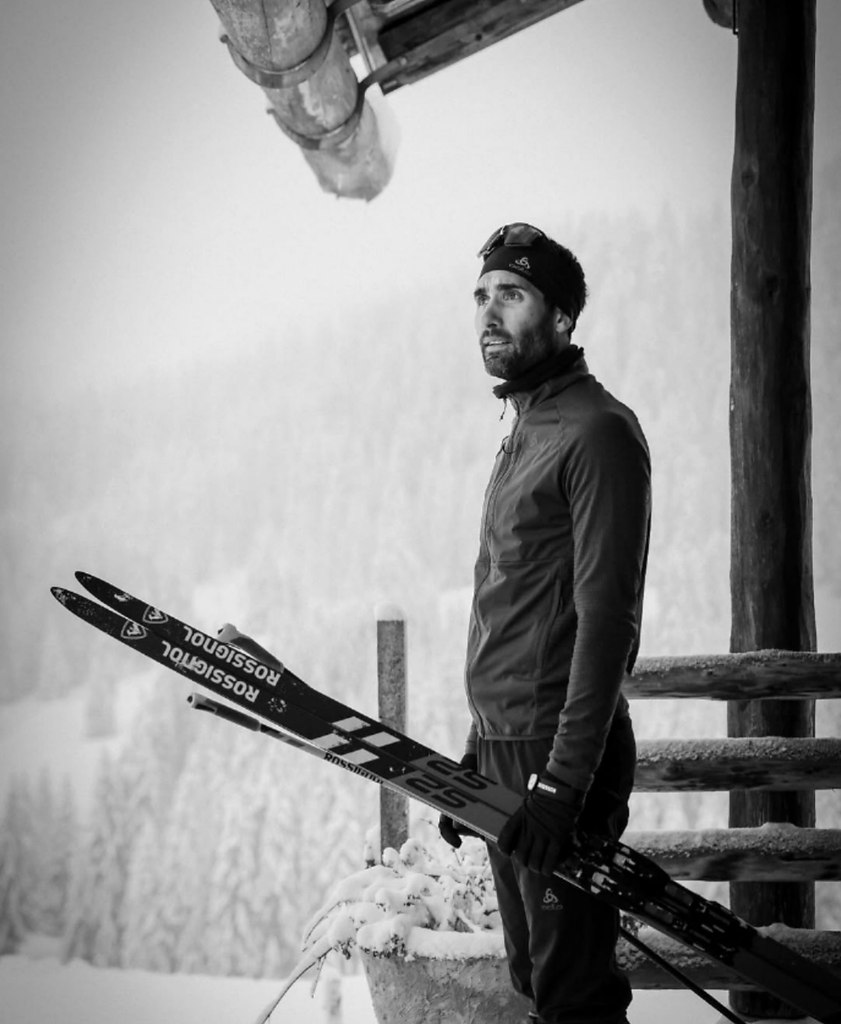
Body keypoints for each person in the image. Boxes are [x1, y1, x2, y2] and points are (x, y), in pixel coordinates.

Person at [440, 223, 651, 1024]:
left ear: (561, 316)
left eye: (513, 293)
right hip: (508, 746)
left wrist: (561, 786)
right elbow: (516, 602)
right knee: (533, 979)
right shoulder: (526, 430)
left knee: (574, 995)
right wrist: (479, 747)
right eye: (481, 296)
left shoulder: (596, 432)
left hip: (558, 756)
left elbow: (606, 623)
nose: (488, 312)